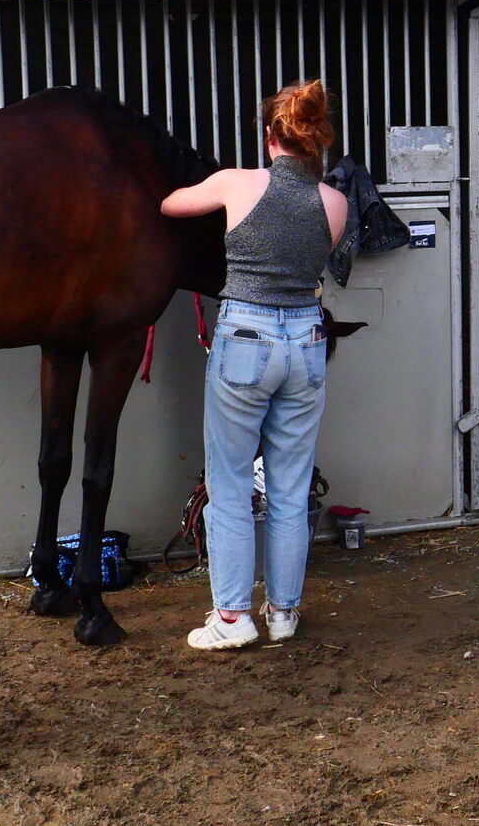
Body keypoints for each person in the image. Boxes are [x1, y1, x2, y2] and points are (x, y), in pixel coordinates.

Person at [161, 80, 349, 650]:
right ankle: (284, 613)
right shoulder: (335, 202)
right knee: (290, 487)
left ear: (270, 136)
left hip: (246, 336)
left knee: (231, 484)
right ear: (316, 140)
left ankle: (233, 618)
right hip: (306, 340)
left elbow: (170, 205)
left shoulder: (235, 183)